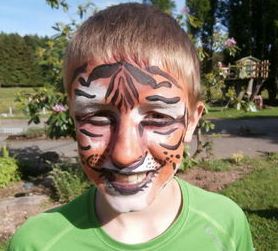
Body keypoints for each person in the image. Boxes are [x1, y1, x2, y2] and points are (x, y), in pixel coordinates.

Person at [9, 3, 254, 251]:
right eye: (98, 116)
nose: (125, 155)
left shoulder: (226, 224)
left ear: (191, 122)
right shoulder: (35, 243)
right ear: (73, 116)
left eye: (158, 116)